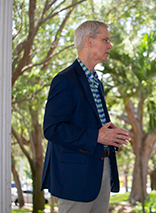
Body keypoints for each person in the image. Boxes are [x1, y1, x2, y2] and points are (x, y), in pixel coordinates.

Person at [41, 20, 131, 213]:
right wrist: (97, 136)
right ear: (88, 41)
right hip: (75, 179)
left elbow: (88, 124)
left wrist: (111, 135)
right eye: (105, 40)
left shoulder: (96, 82)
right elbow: (52, 128)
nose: (110, 45)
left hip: (101, 172)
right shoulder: (64, 80)